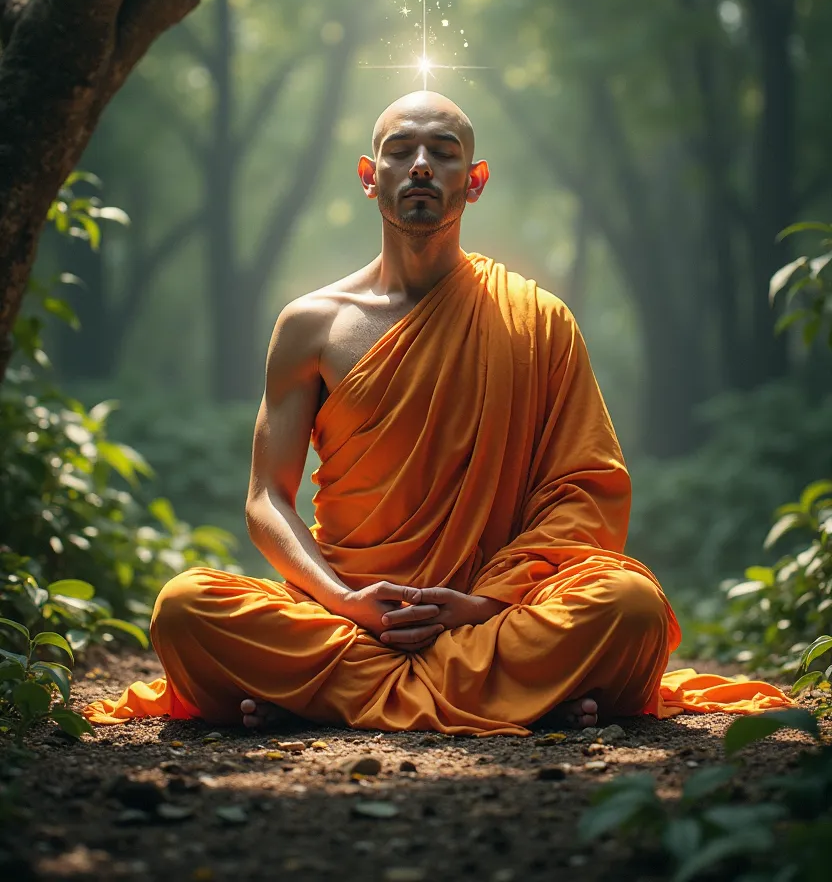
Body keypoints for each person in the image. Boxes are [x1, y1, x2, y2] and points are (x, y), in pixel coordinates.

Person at [85, 92, 788, 736]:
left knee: (629, 607)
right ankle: (526, 697)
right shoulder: (310, 325)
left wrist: (483, 605)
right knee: (183, 607)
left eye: (443, 152)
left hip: (492, 613)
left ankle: (305, 699)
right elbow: (268, 496)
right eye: (400, 150)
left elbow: (585, 494)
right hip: (351, 617)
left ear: (473, 181)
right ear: (370, 175)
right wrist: (345, 600)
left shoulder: (538, 321)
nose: (420, 165)